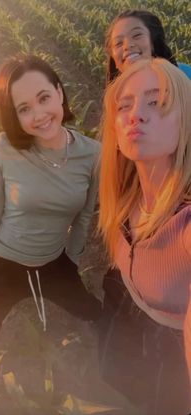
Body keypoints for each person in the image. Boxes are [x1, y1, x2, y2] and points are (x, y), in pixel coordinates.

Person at [0, 54, 101, 371]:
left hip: (53, 261)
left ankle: (110, 360)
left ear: (59, 92)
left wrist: (73, 259)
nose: (39, 115)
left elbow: (84, 217)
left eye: (43, 98)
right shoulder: (4, 148)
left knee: (91, 310)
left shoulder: (92, 155)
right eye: (24, 109)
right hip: (2, 262)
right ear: (15, 115)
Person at [98, 58, 191, 414]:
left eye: (156, 102)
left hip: (171, 369)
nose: (136, 114)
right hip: (130, 325)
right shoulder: (123, 199)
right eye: (125, 105)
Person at [105, 9, 191, 83]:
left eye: (136, 35)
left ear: (152, 42)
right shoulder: (115, 97)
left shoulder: (185, 75)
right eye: (118, 43)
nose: (127, 46)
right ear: (114, 58)